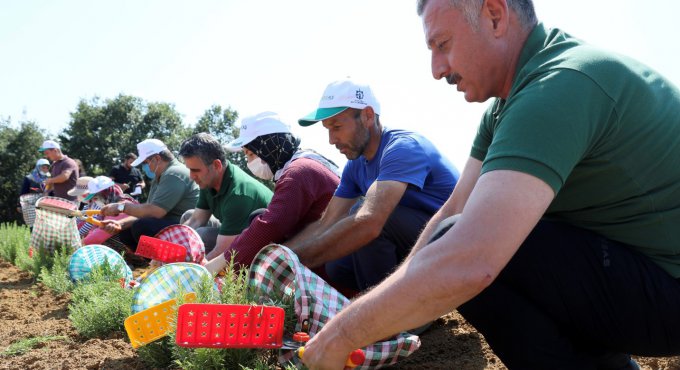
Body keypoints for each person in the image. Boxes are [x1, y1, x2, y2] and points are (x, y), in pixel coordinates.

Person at [299, 1, 680, 369]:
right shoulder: (505, 107)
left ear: (495, 16)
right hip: (638, 274)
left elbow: (471, 258)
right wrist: (366, 311)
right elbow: (451, 211)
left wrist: (342, 336)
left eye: (442, 45)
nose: (435, 69)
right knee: (451, 239)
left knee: (475, 252)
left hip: (668, 288)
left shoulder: (557, 86)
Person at [287, 79, 459, 293]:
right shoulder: (355, 165)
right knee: (337, 266)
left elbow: (371, 221)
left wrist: (298, 261)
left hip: (455, 241)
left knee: (367, 221)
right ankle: (400, 300)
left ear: (368, 115)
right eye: (327, 130)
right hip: (417, 242)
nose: (331, 139)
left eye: (337, 127)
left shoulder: (403, 147)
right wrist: (285, 256)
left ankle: (400, 314)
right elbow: (327, 222)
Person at [204, 112, 341, 275]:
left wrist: (221, 263)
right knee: (257, 216)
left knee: (260, 223)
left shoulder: (298, 172)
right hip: (325, 246)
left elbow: (270, 225)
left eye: (251, 154)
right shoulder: (303, 164)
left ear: (269, 148)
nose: (248, 162)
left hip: (332, 261)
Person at [177, 132, 273, 258]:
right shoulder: (208, 179)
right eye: (189, 169)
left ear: (217, 165)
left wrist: (188, 272)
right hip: (234, 230)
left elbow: (222, 251)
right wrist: (171, 246)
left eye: (195, 170)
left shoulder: (239, 194)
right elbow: (197, 219)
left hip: (266, 247)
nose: (191, 176)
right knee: (188, 217)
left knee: (201, 235)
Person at [99, 139, 199, 250]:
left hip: (190, 227)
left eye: (146, 163)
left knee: (142, 226)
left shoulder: (174, 174)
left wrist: (120, 207)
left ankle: (165, 261)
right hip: (174, 224)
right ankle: (153, 262)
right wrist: (120, 224)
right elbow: (147, 210)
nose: (145, 168)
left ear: (157, 158)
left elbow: (155, 212)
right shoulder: (160, 176)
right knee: (126, 231)